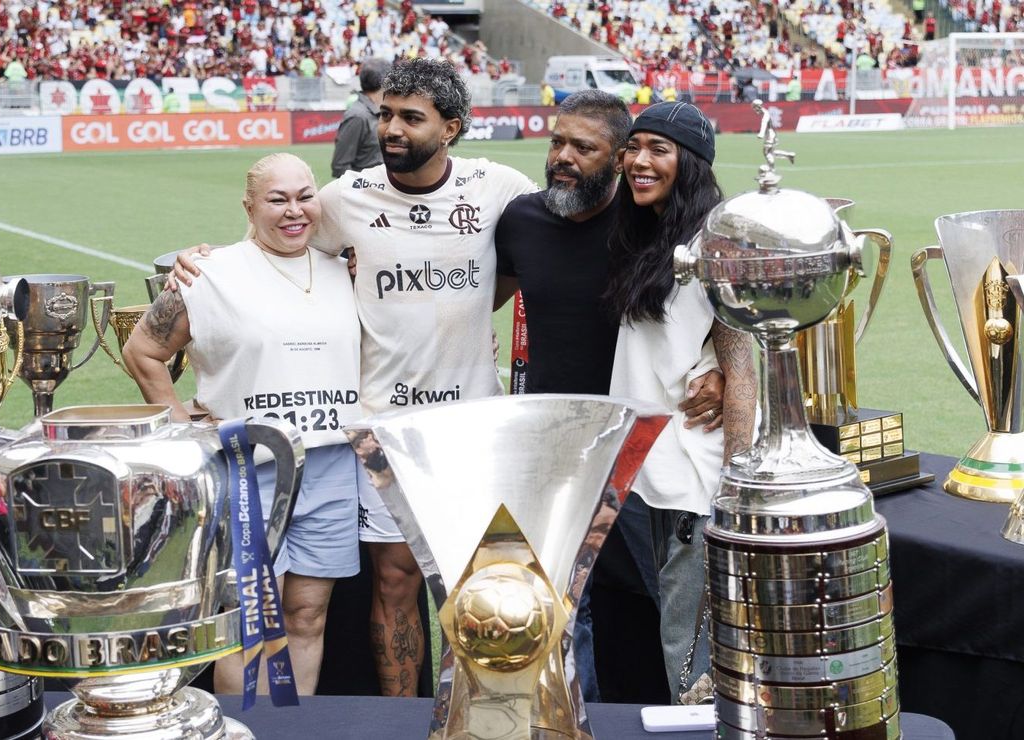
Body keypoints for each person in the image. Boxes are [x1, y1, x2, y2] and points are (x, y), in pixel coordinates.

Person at [169, 58, 536, 697]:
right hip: (380, 431)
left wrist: (471, 309)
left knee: (485, 584)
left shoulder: (500, 186)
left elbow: (537, 255)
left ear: (451, 127)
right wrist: (200, 263)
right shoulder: (345, 198)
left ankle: (490, 715)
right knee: (394, 584)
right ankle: (402, 717)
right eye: (385, 114)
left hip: (474, 425)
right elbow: (274, 240)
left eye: (409, 118)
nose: (390, 128)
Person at [493, 90, 724, 702]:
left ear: (615, 157)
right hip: (560, 442)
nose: (563, 157)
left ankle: (700, 712)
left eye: (584, 147)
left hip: (660, 449)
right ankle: (582, 718)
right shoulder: (528, 220)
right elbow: (470, 293)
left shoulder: (669, 228)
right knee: (565, 608)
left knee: (685, 607)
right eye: (556, 142)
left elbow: (739, 312)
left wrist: (724, 370)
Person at [122, 153, 363, 696]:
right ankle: (243, 730)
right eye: (278, 199)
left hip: (329, 465)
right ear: (249, 206)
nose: (295, 210)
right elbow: (143, 351)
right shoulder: (210, 273)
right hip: (248, 469)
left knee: (307, 615)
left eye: (305, 195)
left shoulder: (345, 267)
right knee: (249, 621)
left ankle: (292, 732)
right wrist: (187, 434)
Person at [604, 101, 757, 703]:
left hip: (703, 480)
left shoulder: (716, 243)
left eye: (658, 150)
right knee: (681, 632)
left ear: (690, 163)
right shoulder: (650, 232)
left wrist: (736, 492)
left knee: (693, 650)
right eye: (633, 148)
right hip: (657, 471)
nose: (639, 162)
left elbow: (743, 368)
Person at [331, 57, 391, 178]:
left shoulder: (383, 112)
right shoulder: (358, 116)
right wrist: (363, 191)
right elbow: (340, 166)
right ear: (386, 82)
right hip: (368, 194)